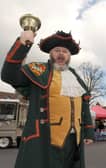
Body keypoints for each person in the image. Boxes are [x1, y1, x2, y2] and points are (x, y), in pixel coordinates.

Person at [1, 30, 95, 168]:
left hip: (74, 140)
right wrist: (23, 44)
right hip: (45, 139)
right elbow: (8, 75)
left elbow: (84, 105)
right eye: (57, 50)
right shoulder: (38, 70)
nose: (61, 54)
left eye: (65, 51)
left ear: (69, 56)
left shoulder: (76, 77)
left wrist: (89, 132)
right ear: (50, 53)